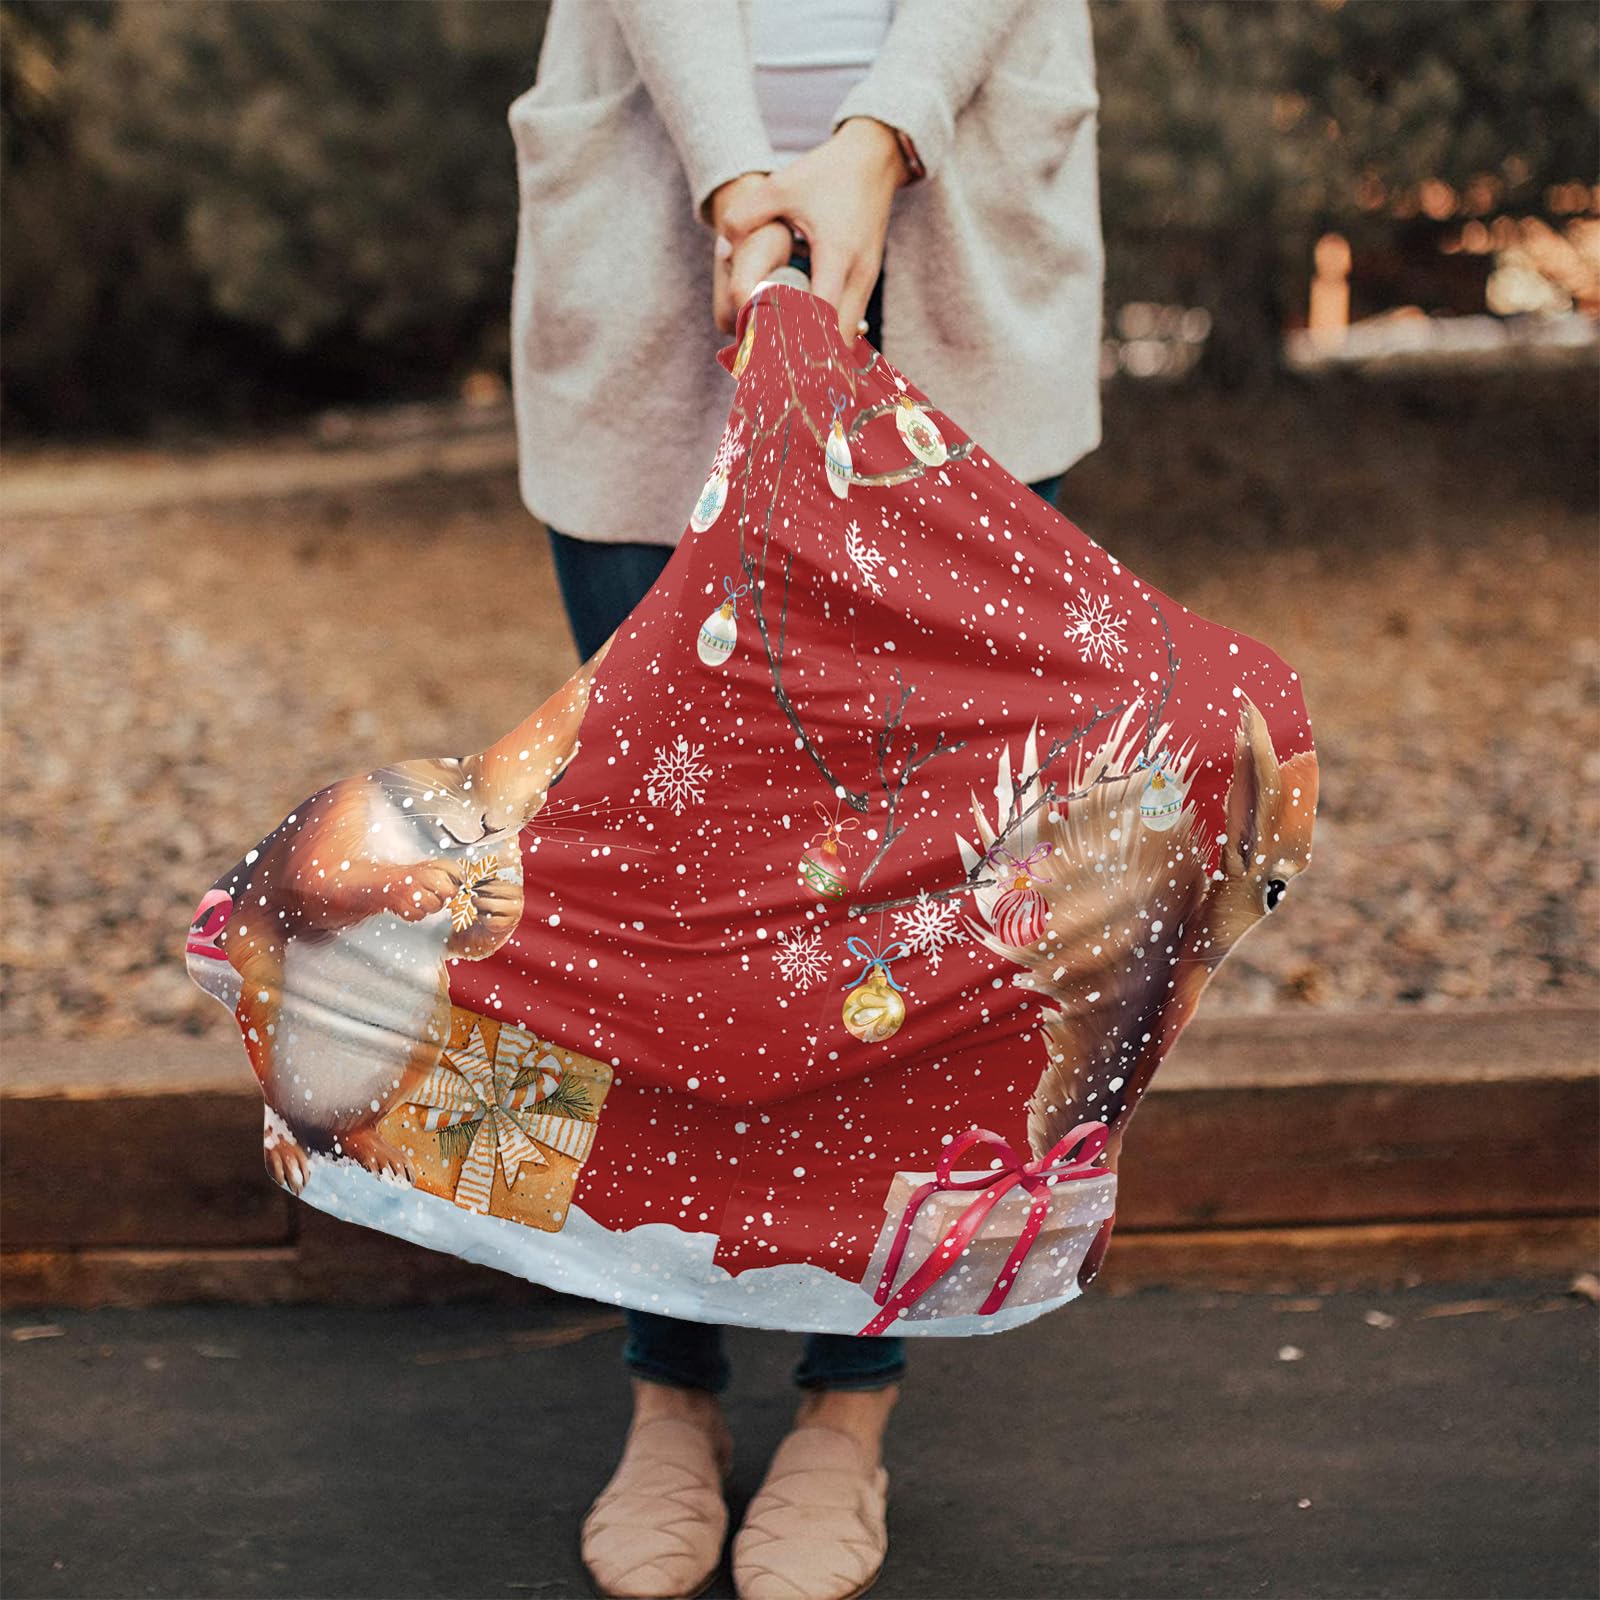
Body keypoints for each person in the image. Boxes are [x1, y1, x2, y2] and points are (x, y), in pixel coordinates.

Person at [507, 3, 1103, 1595]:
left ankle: (850, 1404)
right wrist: (734, 179)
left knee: (913, 885)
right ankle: (670, 1386)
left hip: (957, 219)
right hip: (658, 216)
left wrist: (877, 136)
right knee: (660, 876)